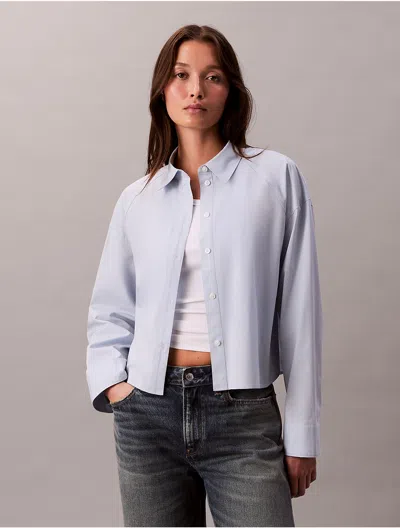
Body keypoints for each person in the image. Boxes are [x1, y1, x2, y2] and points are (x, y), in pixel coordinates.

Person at [86, 24, 323, 527]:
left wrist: (302, 435)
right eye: (181, 75)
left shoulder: (275, 179)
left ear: (230, 91)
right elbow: (110, 309)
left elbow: (300, 316)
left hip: (242, 414)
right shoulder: (137, 199)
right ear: (163, 90)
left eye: (212, 77)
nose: (196, 89)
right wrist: (115, 388)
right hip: (147, 414)